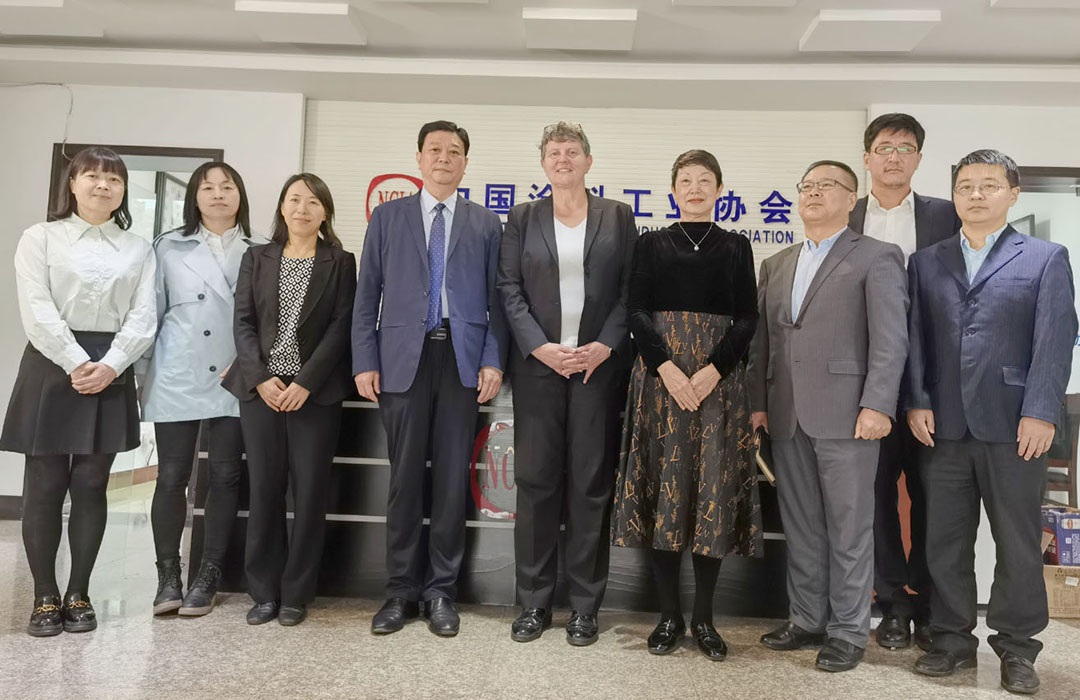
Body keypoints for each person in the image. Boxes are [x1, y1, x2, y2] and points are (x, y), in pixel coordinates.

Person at [906, 150, 1076, 695]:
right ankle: (951, 640)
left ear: (1012, 194)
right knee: (944, 541)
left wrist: (1041, 411)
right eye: (965, 186)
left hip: (1015, 426)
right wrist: (916, 401)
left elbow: (1055, 341)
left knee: (1017, 543)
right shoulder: (926, 262)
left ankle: (1018, 647)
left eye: (988, 185)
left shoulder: (1046, 258)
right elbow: (915, 340)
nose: (975, 194)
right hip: (943, 426)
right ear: (954, 195)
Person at [747, 160, 908, 672]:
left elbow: (890, 340)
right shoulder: (777, 263)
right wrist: (757, 404)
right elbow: (763, 342)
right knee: (802, 526)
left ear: (851, 198)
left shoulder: (877, 256)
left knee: (849, 528)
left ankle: (848, 631)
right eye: (807, 186)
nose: (813, 193)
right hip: (786, 414)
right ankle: (806, 618)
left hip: (849, 415)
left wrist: (878, 404)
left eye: (826, 186)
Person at [353, 120, 506, 637]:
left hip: (461, 362)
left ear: (465, 163)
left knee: (450, 481)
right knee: (403, 481)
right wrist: (364, 359)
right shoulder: (387, 218)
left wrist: (492, 359)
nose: (444, 158)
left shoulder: (486, 223)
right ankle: (400, 591)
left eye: (454, 151)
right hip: (402, 360)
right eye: (435, 149)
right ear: (418, 158)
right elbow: (367, 294)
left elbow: (498, 300)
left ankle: (441, 591)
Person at [611, 149, 761, 661]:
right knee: (666, 492)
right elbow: (636, 310)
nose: (695, 189)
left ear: (719, 190)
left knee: (710, 494)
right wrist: (668, 369)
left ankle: (704, 619)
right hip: (662, 382)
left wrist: (713, 370)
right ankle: (668, 616)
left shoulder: (737, 246)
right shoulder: (650, 243)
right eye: (685, 181)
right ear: (673, 191)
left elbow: (747, 317)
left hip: (718, 386)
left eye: (704, 180)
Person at [1, 146, 156, 636]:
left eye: (114, 179)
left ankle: (79, 592)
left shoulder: (138, 248)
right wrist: (75, 361)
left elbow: (144, 315)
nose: (103, 185)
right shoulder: (40, 238)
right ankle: (44, 596)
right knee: (45, 485)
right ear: (71, 184)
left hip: (111, 366)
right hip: (51, 364)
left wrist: (110, 365)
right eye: (92, 176)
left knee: (91, 484)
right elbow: (36, 308)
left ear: (123, 191)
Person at [497, 121, 636, 646]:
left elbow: (630, 291)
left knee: (590, 486)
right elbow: (508, 288)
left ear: (588, 161)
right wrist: (540, 347)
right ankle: (533, 603)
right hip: (539, 369)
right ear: (543, 163)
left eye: (572, 151)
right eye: (554, 152)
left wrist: (605, 345)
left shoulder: (617, 216)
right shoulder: (522, 217)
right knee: (536, 484)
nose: (563, 159)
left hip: (597, 370)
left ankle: (584, 606)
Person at [222, 173, 356, 627]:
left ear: (325, 212)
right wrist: (260, 379)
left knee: (311, 492)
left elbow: (341, 327)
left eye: (313, 202)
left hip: (314, 395)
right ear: (282, 207)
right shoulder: (256, 258)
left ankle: (297, 593)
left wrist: (306, 383)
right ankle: (263, 592)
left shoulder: (340, 262)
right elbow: (243, 322)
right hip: (261, 391)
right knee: (264, 490)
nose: (303, 208)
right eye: (295, 199)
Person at [848, 113, 960, 651]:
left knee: (932, 494)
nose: (894, 156)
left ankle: (929, 603)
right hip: (865, 381)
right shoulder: (845, 214)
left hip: (933, 380)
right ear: (867, 157)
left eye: (905, 147)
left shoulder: (947, 215)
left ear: (919, 158)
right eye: (884, 147)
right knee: (875, 497)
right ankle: (891, 602)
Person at [141, 161, 267, 617]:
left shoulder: (261, 249)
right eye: (207, 187)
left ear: (240, 196)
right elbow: (149, 313)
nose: (218, 194)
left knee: (226, 476)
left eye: (227, 186)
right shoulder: (167, 246)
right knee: (172, 476)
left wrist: (251, 364)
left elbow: (267, 319)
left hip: (235, 376)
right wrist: (138, 375)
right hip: (178, 369)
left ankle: (208, 575)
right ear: (194, 197)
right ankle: (168, 577)